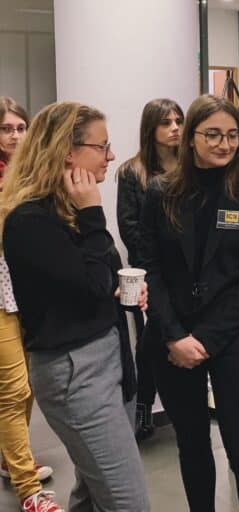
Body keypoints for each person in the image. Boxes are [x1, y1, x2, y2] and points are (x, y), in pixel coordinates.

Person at [0, 101, 150, 511]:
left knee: (91, 495)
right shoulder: (29, 220)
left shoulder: (66, 211)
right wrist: (93, 215)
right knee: (128, 502)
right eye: (102, 146)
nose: (111, 155)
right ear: (69, 151)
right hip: (76, 374)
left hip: (104, 359)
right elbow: (87, 285)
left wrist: (117, 294)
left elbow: (92, 286)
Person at [140, 94, 239, 512]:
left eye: (232, 135)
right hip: (173, 335)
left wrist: (207, 339)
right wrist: (176, 336)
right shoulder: (161, 193)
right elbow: (150, 270)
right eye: (213, 134)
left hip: (233, 336)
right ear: (191, 138)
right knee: (192, 445)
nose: (224, 144)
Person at [0, 97, 60, 511]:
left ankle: (10, 460)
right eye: (6, 129)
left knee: (29, 387)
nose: (15, 136)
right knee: (12, 388)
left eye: (21, 128)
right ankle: (28, 490)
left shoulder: (29, 173)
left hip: (25, 288)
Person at [117, 97, 184, 441]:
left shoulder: (191, 167)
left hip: (188, 275)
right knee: (150, 341)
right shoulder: (132, 172)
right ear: (151, 129)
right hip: (149, 275)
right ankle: (144, 405)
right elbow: (129, 228)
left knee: (181, 338)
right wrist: (154, 268)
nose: (174, 128)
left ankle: (181, 405)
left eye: (178, 121)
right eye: (166, 122)